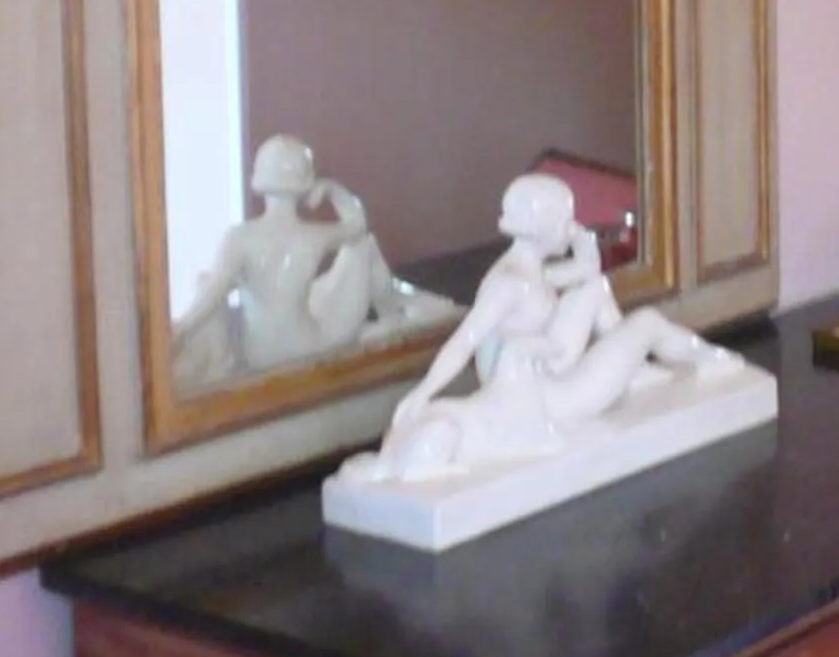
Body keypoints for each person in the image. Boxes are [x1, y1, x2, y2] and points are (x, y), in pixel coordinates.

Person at [372, 169, 718, 474]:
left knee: (595, 288)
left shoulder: (530, 270)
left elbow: (587, 272)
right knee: (647, 322)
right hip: (542, 396)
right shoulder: (510, 283)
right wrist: (422, 394)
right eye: (566, 221)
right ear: (545, 229)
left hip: (545, 369)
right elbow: (465, 340)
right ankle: (711, 360)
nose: (572, 227)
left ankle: (632, 371)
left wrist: (585, 246)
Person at [172, 134, 429, 386]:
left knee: (209, 281)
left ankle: (393, 320)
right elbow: (358, 226)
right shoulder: (312, 236)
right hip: (306, 348)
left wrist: (182, 329)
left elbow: (214, 291)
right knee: (365, 246)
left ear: (259, 180)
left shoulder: (239, 238)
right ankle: (392, 319)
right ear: (305, 181)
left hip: (260, 354)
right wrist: (331, 190)